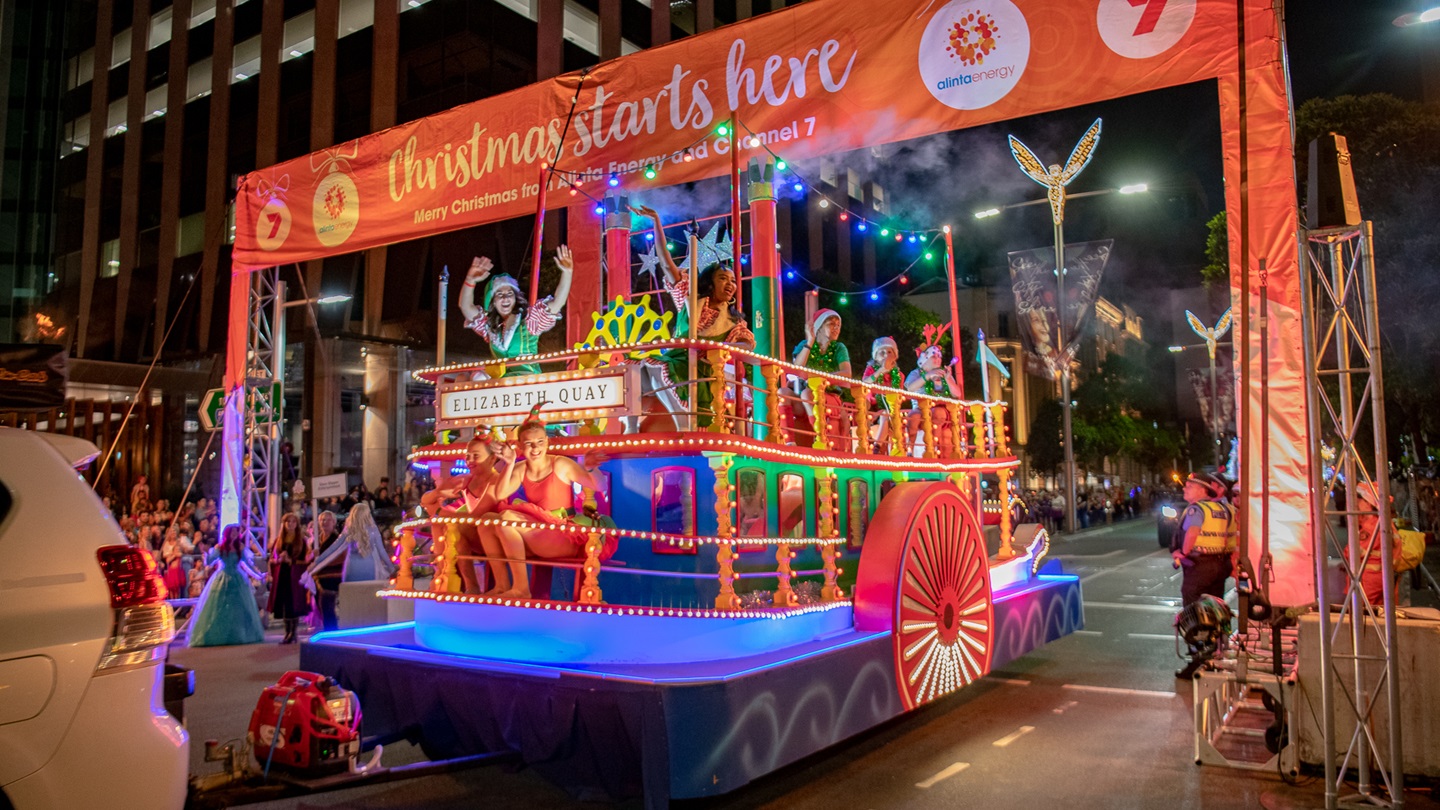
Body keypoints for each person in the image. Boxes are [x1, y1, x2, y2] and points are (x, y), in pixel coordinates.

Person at [631, 206, 756, 429]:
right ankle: (632, 429)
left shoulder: (735, 322)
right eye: (723, 279)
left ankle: (685, 427)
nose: (730, 284)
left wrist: (721, 350)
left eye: (733, 281)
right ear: (710, 282)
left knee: (658, 368)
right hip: (675, 360)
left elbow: (746, 346)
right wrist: (656, 222)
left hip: (707, 371)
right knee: (634, 367)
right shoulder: (690, 299)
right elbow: (666, 264)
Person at [479, 406, 616, 600]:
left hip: (562, 536)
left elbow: (600, 486)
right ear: (519, 445)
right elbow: (500, 493)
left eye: (540, 442)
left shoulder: (560, 464)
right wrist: (509, 464)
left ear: (547, 442)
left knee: (507, 517)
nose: (535, 448)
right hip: (538, 534)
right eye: (529, 443)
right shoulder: (520, 468)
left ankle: (521, 588)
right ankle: (502, 585)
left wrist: (590, 468)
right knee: (487, 521)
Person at [458, 249, 575, 377]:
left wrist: (567, 273)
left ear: (515, 298)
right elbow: (465, 307)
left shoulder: (529, 320)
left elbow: (557, 303)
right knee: (473, 377)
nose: (505, 298)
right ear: (492, 302)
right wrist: (470, 280)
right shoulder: (490, 327)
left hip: (527, 384)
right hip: (502, 385)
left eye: (509, 294)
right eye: (499, 294)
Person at [421, 434, 510, 594]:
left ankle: (475, 585)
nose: (470, 461)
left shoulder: (496, 481)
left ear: (491, 459)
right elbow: (425, 500)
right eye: (468, 456)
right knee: (443, 526)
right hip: (472, 534)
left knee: (455, 527)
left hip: (495, 538)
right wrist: (438, 493)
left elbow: (475, 517)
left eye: (476, 456)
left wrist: (440, 512)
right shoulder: (465, 480)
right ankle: (443, 574)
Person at [188, 525, 267, 647]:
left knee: (238, 609)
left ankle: (238, 634)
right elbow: (210, 562)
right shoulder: (220, 547)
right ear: (227, 533)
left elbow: (247, 565)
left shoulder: (240, 548)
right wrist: (205, 555)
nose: (235, 534)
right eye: (233, 532)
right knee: (219, 608)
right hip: (222, 577)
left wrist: (258, 575)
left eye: (237, 532)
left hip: (237, 579)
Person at [1171, 471, 1238, 606]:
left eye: (1190, 486)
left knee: (1193, 605)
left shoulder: (1197, 509)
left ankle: (1198, 628)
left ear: (1203, 490)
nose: (1184, 489)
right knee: (1215, 606)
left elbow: (1192, 533)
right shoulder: (1222, 508)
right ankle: (1216, 627)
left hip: (1200, 565)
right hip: (1220, 564)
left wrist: (1183, 553)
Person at [793, 308, 853, 436]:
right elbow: (796, 368)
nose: (836, 327)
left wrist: (820, 379)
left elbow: (847, 373)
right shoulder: (804, 344)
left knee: (806, 394)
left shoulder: (839, 348)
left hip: (830, 394)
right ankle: (789, 442)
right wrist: (810, 342)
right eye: (831, 323)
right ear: (819, 326)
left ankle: (820, 434)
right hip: (805, 392)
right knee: (783, 393)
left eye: (838, 325)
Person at [266, 512, 310, 644]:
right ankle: (287, 632)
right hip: (282, 575)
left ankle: (293, 632)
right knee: (284, 603)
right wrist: (277, 560)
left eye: (293, 522)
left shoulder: (302, 541)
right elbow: (272, 559)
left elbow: (306, 560)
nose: (290, 524)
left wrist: (291, 561)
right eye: (288, 522)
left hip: (294, 575)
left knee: (293, 603)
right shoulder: (278, 541)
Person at [861, 337, 904, 450]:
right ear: (875, 356)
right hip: (871, 407)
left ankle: (876, 446)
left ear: (894, 356)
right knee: (863, 403)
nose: (886, 355)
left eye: (889, 352)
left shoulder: (898, 375)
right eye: (882, 352)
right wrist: (880, 371)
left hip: (889, 409)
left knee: (885, 414)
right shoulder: (871, 369)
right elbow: (864, 383)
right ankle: (864, 440)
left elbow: (897, 397)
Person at [308, 511, 343, 632]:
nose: (324, 522)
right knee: (320, 605)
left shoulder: (337, 540)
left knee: (328, 604)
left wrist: (322, 558)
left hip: (332, 575)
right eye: (322, 520)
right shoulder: (316, 541)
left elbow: (340, 557)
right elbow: (309, 558)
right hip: (318, 577)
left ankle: (332, 630)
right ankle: (327, 628)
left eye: (327, 520)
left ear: (333, 522)